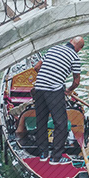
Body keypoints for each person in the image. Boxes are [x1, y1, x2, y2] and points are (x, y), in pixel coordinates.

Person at [32, 37, 84, 165]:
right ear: (79, 48)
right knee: (61, 123)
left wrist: (46, 78)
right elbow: (76, 81)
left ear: (70, 41)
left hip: (38, 88)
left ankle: (43, 154)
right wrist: (68, 90)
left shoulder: (53, 48)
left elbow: (37, 67)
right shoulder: (74, 57)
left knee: (41, 120)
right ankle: (56, 158)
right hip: (53, 91)